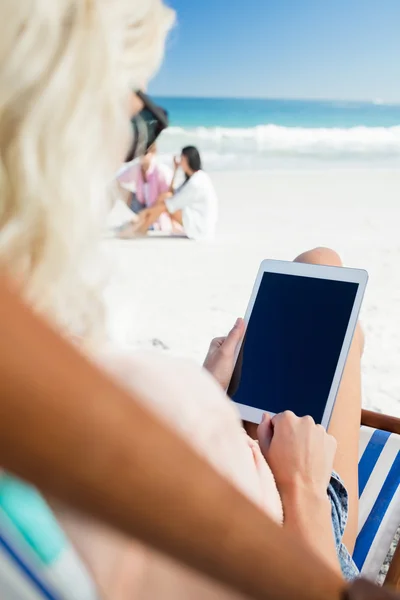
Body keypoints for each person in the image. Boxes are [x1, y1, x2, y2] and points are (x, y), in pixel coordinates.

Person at [0, 0, 362, 597]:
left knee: (313, 282)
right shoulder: (112, 394)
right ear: (67, 128)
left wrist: (206, 398)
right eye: (142, 119)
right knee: (327, 279)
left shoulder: (52, 375)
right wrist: (299, 483)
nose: (136, 142)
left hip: (222, 462)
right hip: (297, 526)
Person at [134, 145, 219, 240]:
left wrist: (145, 212)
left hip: (200, 227)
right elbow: (171, 194)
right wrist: (175, 170)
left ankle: (140, 229)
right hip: (196, 220)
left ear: (188, 160)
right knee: (165, 198)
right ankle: (141, 228)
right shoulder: (195, 177)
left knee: (164, 204)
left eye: (182, 159)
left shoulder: (196, 182)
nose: (180, 162)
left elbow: (171, 203)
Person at [117, 143, 173, 233]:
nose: (142, 155)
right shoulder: (136, 168)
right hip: (141, 207)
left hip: (156, 214)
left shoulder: (161, 172)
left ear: (153, 153)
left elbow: (168, 198)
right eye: (140, 152)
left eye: (145, 152)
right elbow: (118, 180)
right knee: (114, 187)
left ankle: (145, 223)